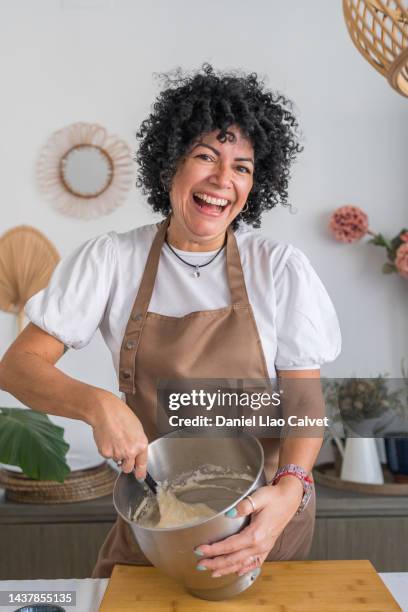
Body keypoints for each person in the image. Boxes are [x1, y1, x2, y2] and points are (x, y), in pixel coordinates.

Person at [0, 64, 341, 579]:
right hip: (157, 517)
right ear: (169, 165)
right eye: (206, 156)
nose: (222, 180)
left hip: (263, 516)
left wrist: (291, 487)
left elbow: (304, 399)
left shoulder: (279, 268)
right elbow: (19, 366)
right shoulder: (112, 260)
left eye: (242, 167)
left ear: (257, 182)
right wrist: (98, 404)